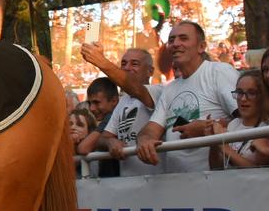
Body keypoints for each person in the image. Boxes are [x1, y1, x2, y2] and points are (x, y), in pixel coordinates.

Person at [135, 22, 240, 173]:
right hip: (177, 184)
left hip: (216, 180)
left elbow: (247, 119)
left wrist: (208, 128)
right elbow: (152, 128)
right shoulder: (170, 89)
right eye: (171, 40)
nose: (175, 44)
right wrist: (144, 140)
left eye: (183, 38)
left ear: (201, 47)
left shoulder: (219, 72)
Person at [84, 45, 162, 177]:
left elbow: (135, 89)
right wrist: (110, 142)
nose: (127, 68)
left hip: (156, 180)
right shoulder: (124, 101)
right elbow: (103, 138)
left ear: (150, 71)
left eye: (135, 64)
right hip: (126, 183)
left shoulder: (159, 92)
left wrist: (101, 62)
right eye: (124, 63)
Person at [208, 69, 269, 170]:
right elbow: (216, 168)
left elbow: (259, 171)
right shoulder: (233, 124)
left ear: (263, 96)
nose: (243, 99)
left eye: (251, 93)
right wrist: (214, 143)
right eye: (239, 92)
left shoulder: (268, 128)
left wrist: (224, 147)